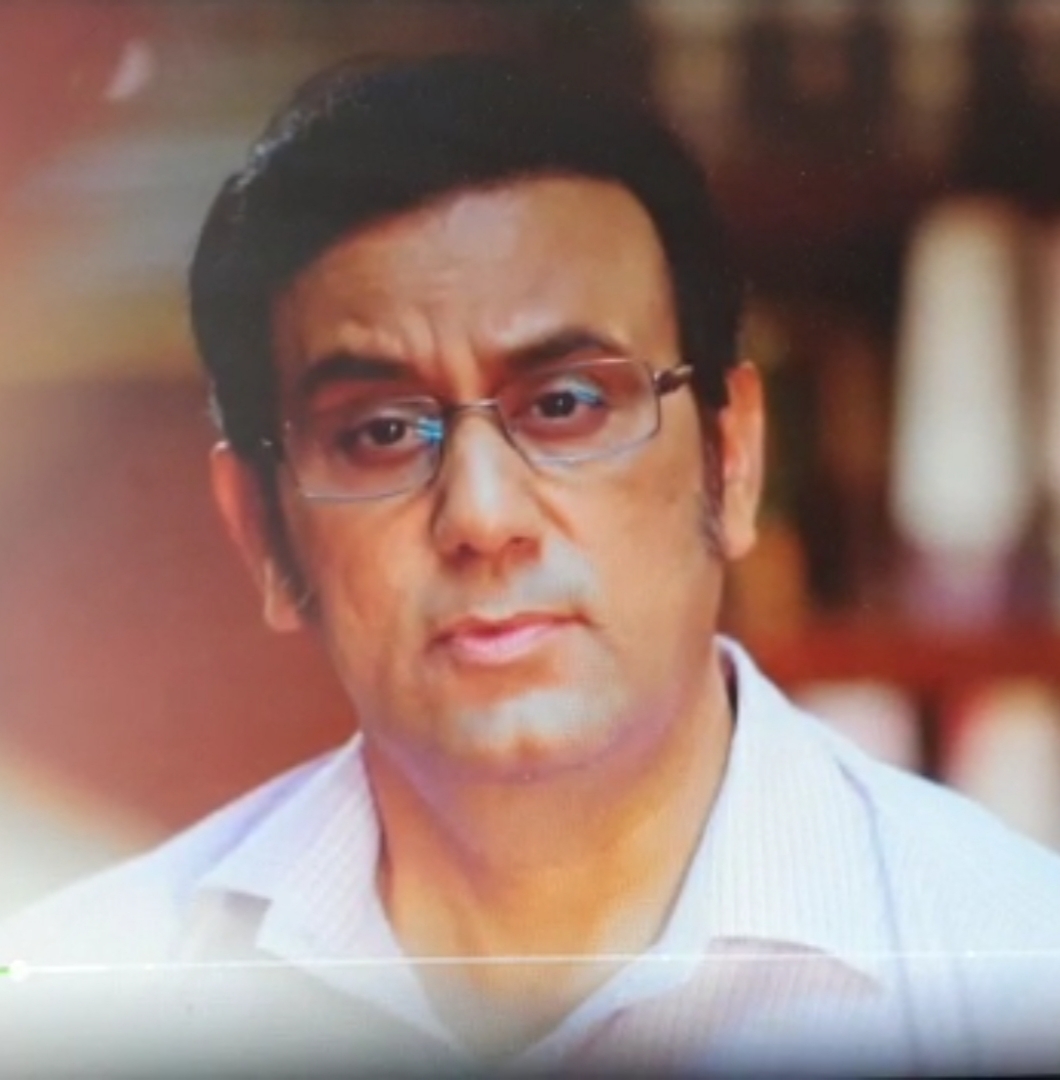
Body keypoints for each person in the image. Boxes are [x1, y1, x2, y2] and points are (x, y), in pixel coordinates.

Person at [2, 53, 1059, 1079]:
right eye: (380, 432)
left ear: (731, 459)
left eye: (564, 405)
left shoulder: (1016, 974)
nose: (483, 517)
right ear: (264, 537)